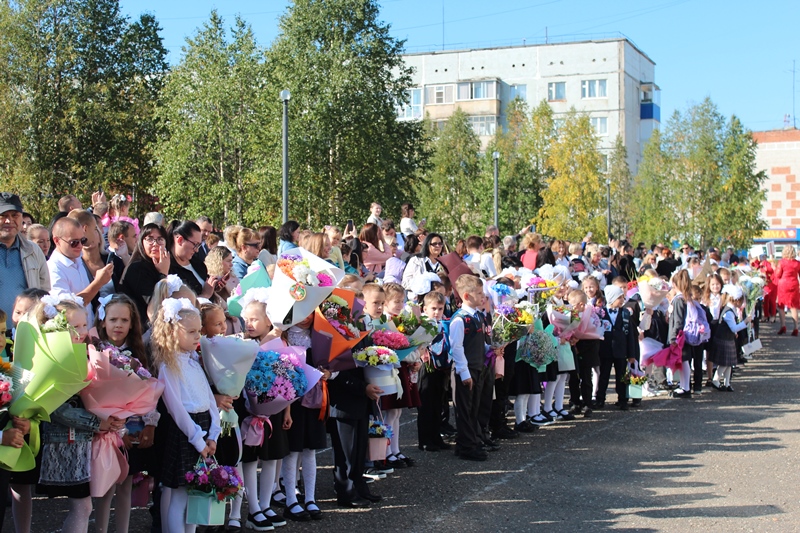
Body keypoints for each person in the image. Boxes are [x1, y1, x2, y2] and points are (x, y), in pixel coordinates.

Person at [35, 296, 125, 533]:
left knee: (84, 506)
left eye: (84, 325)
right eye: (75, 327)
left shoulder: (83, 352)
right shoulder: (53, 359)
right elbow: (56, 409)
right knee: (82, 506)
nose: (83, 332)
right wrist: (98, 422)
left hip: (82, 442)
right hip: (65, 442)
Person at [151, 299, 220, 533]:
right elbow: (177, 410)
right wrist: (198, 440)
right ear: (172, 332)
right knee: (180, 497)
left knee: (194, 495)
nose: (197, 336)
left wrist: (214, 434)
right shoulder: (168, 367)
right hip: (186, 432)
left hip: (203, 429)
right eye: (191, 332)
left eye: (198, 331)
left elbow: (209, 399)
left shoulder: (193, 361)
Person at [93, 294, 152, 533]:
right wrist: (116, 426)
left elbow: (147, 392)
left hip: (133, 426)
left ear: (132, 323)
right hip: (106, 429)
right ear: (103, 321)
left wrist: (148, 424)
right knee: (105, 487)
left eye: (124, 320)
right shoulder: (95, 352)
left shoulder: (137, 354)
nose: (118, 325)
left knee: (126, 484)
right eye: (113, 319)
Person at [449, 274, 494, 461]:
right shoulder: (460, 319)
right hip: (465, 370)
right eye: (478, 293)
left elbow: (478, 343)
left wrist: (491, 348)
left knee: (474, 407)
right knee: (465, 410)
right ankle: (468, 446)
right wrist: (464, 373)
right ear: (466, 296)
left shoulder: (478, 316)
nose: (482, 296)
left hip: (478, 367)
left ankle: (467, 442)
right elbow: (457, 347)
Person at [48, 216, 112, 325]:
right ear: (57, 241)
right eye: (74, 242)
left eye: (83, 240)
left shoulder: (78, 259)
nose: (80, 246)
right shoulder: (53, 268)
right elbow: (66, 308)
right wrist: (98, 283)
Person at [0, 193, 50, 327]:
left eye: (14, 215)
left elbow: (44, 293)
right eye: (3, 216)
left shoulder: (33, 250)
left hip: (27, 332)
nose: (9, 221)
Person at [120, 223, 171, 328]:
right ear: (141, 242)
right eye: (150, 239)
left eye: (160, 239)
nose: (155, 244)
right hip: (138, 328)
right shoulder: (137, 268)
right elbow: (154, 306)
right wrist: (163, 274)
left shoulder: (165, 264)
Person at [167, 220, 215, 299]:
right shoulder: (168, 269)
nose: (196, 250)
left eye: (198, 245)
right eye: (195, 245)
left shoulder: (197, 263)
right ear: (180, 240)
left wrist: (214, 288)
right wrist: (205, 295)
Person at [774, 245, 800, 336]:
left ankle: (783, 326)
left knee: (781, 305)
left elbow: (777, 275)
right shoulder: (797, 263)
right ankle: (796, 328)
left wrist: (774, 268)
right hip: (794, 285)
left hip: (783, 285)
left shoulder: (782, 262)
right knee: (794, 307)